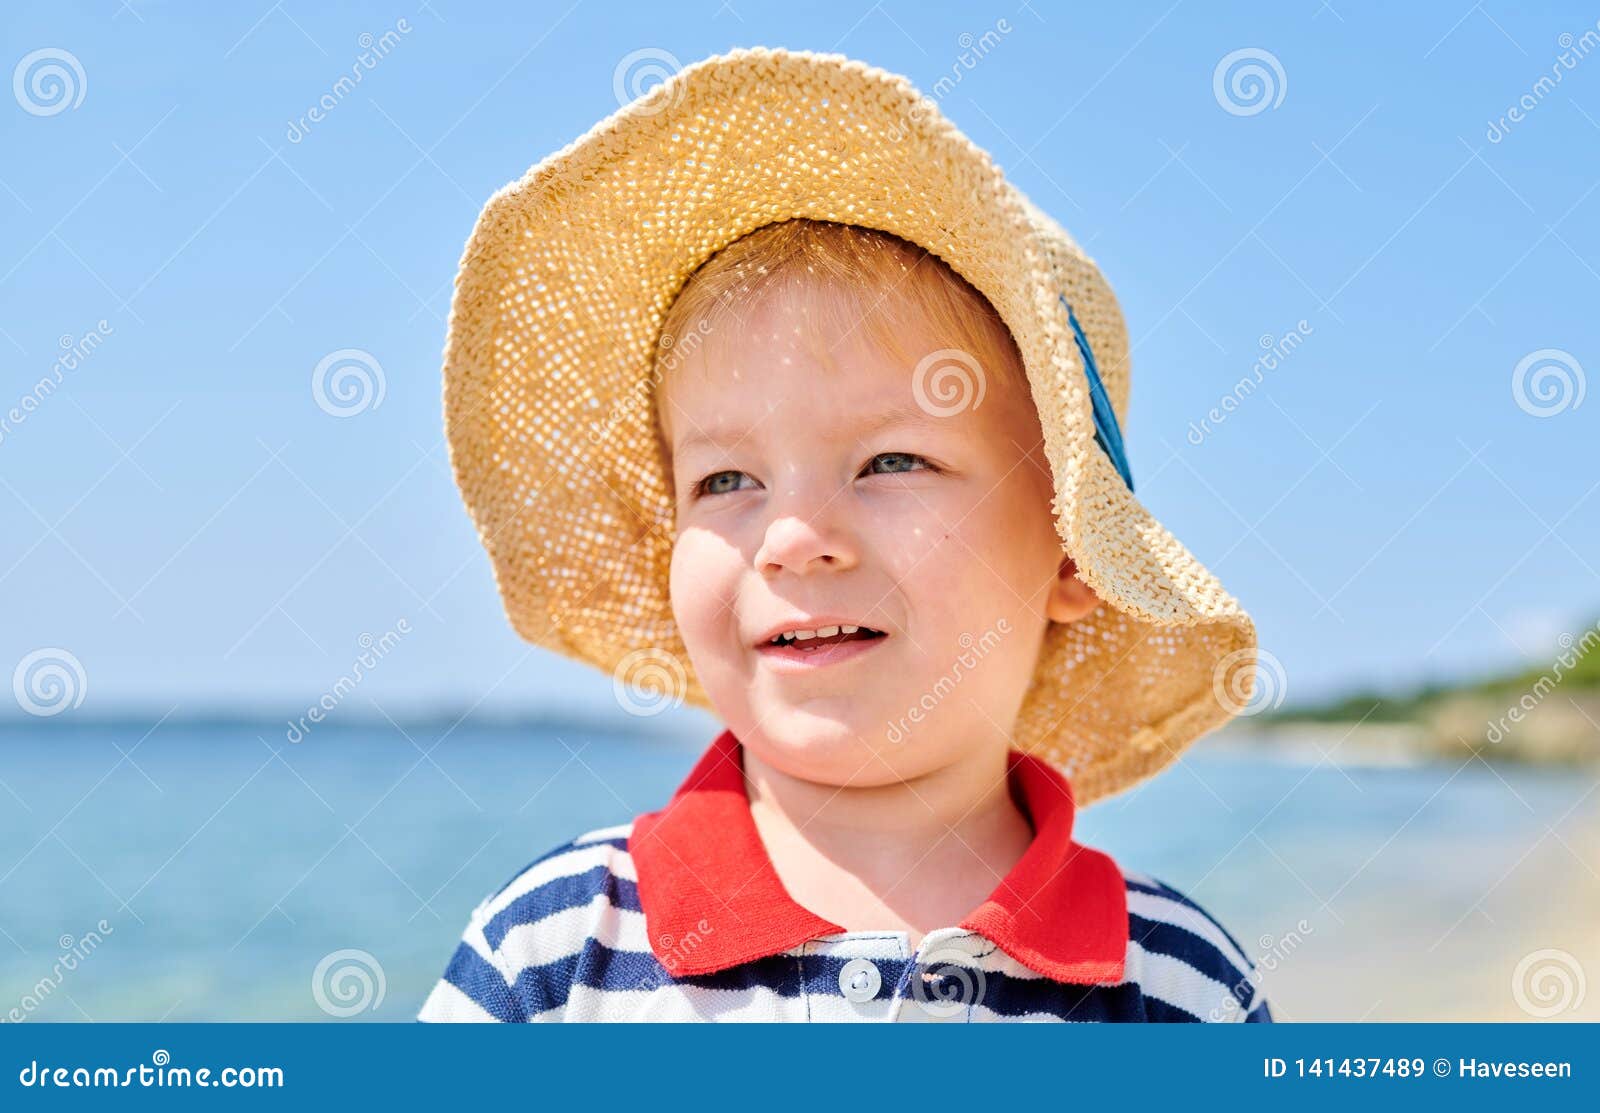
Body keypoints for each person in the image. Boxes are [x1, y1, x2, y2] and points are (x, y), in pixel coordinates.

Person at [418, 47, 1271, 1023]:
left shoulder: (1172, 984)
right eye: (725, 479)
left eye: (891, 463)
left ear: (1072, 547)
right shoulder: (563, 946)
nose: (793, 537)